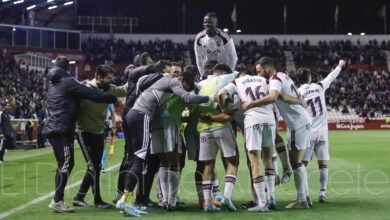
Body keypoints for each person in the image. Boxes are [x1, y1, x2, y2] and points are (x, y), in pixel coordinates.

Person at [116, 71, 216, 217]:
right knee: (160, 161)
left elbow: (142, 83)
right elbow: (188, 98)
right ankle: (169, 201)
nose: (184, 90)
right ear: (181, 79)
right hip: (152, 118)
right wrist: (213, 97)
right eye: (185, 86)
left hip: (147, 118)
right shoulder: (174, 83)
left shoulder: (161, 84)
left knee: (159, 162)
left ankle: (151, 200)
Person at [43, 56, 117, 213]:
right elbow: (93, 94)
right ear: (68, 69)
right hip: (62, 128)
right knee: (67, 164)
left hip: (54, 126)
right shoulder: (69, 81)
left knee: (64, 164)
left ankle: (61, 199)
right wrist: (112, 98)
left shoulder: (52, 82)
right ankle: (57, 200)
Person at [242, 57, 311, 209]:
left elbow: (273, 97)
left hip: (296, 123)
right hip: (302, 120)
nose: (259, 75)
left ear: (267, 68)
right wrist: (299, 101)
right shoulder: (283, 76)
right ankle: (305, 196)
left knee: (296, 162)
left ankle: (302, 200)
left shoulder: (274, 79)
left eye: (260, 71)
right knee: (298, 162)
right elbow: (281, 96)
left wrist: (251, 103)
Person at [218, 70, 275, 212]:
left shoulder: (236, 82)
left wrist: (224, 107)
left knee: (254, 161)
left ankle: (262, 203)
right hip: (269, 119)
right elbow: (272, 95)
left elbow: (220, 93)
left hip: (253, 119)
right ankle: (272, 197)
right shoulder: (263, 80)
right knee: (267, 159)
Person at [73, 65, 127, 209]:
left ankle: (79, 197)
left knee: (95, 166)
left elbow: (124, 89)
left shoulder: (108, 88)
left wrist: (137, 75)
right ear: (99, 78)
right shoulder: (85, 88)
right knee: (94, 166)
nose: (111, 81)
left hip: (98, 131)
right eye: (108, 78)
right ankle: (96, 200)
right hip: (83, 130)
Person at [297, 59, 346, 203]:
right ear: (309, 78)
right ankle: (322, 193)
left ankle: (304, 194)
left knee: (303, 165)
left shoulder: (297, 93)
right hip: (322, 132)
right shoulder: (319, 86)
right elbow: (331, 76)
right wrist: (339, 66)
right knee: (323, 165)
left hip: (308, 133)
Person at [194, 12, 237, 77]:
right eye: (205, 22)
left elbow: (233, 57)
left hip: (223, 71)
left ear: (216, 24)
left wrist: (229, 75)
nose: (206, 24)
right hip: (209, 70)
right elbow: (198, 57)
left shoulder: (225, 37)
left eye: (209, 22)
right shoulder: (199, 38)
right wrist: (202, 74)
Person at [101, 104, 115, 173]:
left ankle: (101, 166)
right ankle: (102, 167)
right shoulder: (109, 98)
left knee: (101, 145)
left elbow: (112, 114)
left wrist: (113, 126)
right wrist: (113, 127)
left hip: (98, 124)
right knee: (104, 146)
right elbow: (113, 114)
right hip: (104, 124)